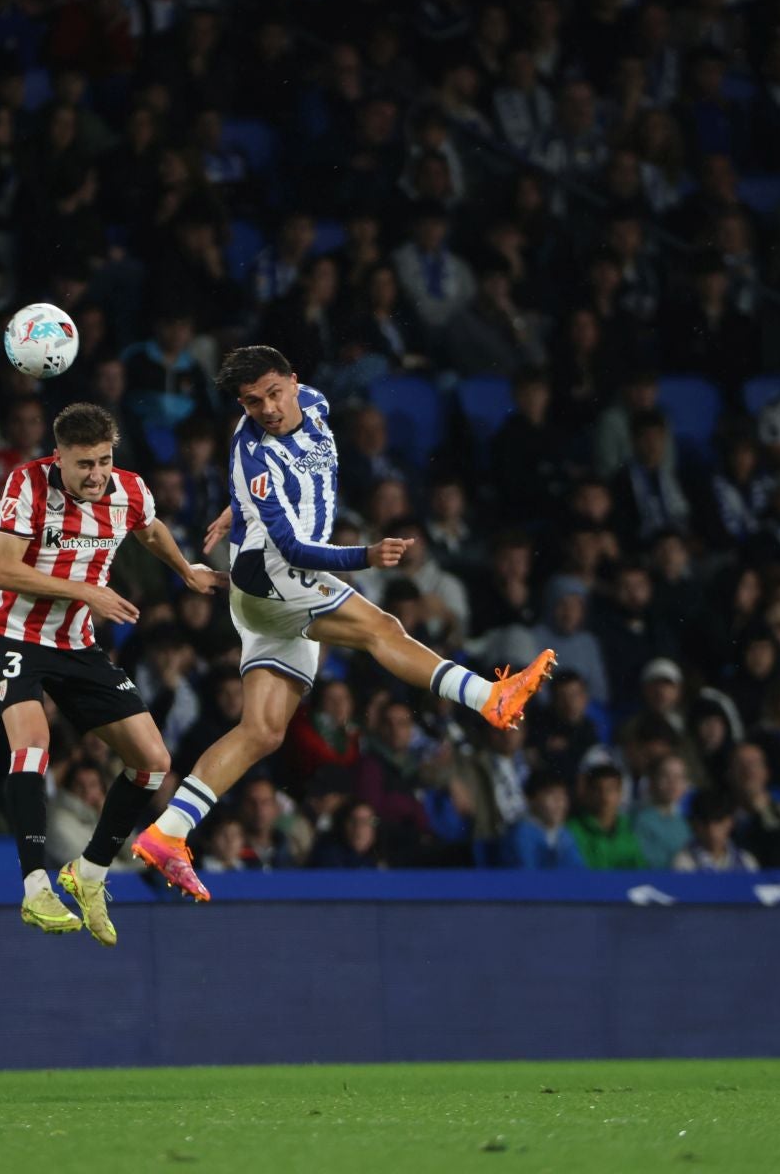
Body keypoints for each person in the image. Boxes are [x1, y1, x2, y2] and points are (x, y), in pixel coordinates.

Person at [132, 347, 556, 901]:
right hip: (275, 577)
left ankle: (168, 832)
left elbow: (277, 492)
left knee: (262, 731)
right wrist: (366, 555)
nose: (266, 409)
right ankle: (488, 699)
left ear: (294, 382)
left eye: (273, 393)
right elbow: (292, 546)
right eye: (251, 402)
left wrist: (238, 508)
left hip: (260, 590)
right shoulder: (255, 455)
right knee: (383, 631)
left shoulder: (316, 404)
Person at [0, 402, 223, 945]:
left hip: (76, 645)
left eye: (104, 461)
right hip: (13, 634)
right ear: (58, 456)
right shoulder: (28, 484)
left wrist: (185, 570)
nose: (96, 475)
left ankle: (89, 872)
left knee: (153, 762)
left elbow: (149, 528)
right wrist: (87, 591)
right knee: (33, 742)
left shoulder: (129, 490)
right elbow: (2, 569)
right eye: (84, 463)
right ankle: (35, 885)